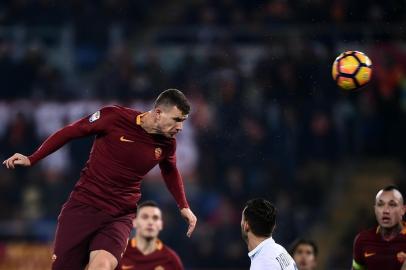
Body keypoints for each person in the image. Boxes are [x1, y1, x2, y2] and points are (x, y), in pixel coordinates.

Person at [3, 89, 197, 270]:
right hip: (83, 206)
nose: (180, 127)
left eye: (183, 121)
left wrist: (184, 206)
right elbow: (72, 131)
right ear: (158, 113)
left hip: (119, 215)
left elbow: (170, 170)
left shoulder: (167, 144)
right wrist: (32, 158)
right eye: (177, 119)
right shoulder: (114, 117)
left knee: (102, 265)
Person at [352, 185, 406, 270]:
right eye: (380, 205)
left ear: (403, 210)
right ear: (375, 210)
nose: (385, 211)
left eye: (392, 205)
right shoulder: (362, 240)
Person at [119, 200, 184, 270]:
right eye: (145, 217)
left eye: (155, 218)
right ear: (134, 222)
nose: (150, 222)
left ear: (161, 225)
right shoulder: (120, 254)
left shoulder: (170, 259)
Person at [241, 198, 297, 270]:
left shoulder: (263, 263)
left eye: (242, 219)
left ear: (246, 225)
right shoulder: (279, 250)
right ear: (273, 227)